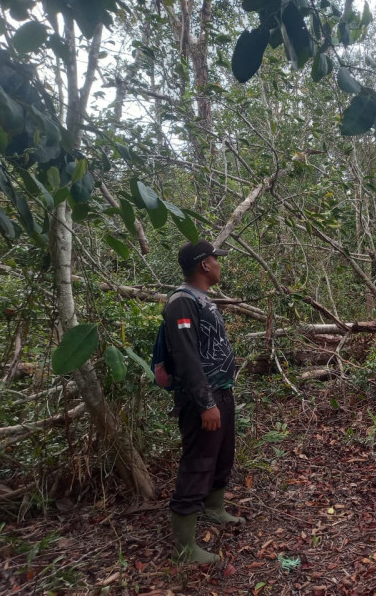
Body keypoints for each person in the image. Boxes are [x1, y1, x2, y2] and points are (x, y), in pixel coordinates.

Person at [165, 240, 242, 563]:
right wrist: (205, 402)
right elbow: (186, 358)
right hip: (203, 398)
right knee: (198, 464)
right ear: (204, 265)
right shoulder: (181, 303)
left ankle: (214, 508)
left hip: (221, 392)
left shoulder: (202, 300)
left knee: (222, 455)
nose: (220, 264)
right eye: (216, 259)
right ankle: (184, 547)